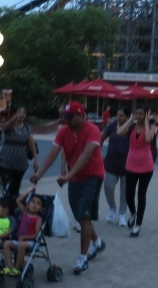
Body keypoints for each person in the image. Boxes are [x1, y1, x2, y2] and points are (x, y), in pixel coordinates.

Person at [30, 101, 106, 276]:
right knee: (80, 216)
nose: (68, 121)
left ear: (81, 115)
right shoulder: (64, 131)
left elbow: (86, 155)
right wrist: (40, 174)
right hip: (75, 177)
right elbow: (52, 153)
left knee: (84, 215)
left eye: (71, 118)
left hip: (93, 176)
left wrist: (68, 176)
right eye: (66, 118)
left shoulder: (92, 130)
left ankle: (82, 258)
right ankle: (98, 242)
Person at [124, 107, 156, 237]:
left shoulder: (152, 127)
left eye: (141, 114)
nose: (138, 116)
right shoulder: (131, 127)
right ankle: (133, 212)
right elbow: (119, 132)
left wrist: (147, 122)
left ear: (146, 115)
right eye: (136, 113)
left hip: (146, 166)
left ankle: (138, 225)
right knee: (128, 194)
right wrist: (130, 120)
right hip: (131, 164)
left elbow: (148, 139)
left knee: (141, 195)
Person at [0, 106, 38, 197]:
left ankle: (14, 208)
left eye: (24, 112)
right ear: (14, 114)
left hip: (21, 164)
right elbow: (7, 126)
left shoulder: (27, 127)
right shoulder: (10, 125)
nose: (22, 114)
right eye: (19, 112)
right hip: (6, 163)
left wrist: (36, 159)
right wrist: (16, 117)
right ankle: (6, 208)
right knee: (7, 189)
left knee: (16, 189)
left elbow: (31, 143)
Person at [4, 190, 45, 274]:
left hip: (30, 242)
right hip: (19, 239)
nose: (34, 204)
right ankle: (9, 267)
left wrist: (25, 237)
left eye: (38, 203)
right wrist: (30, 190)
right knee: (6, 244)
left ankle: (17, 268)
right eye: (32, 202)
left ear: (41, 209)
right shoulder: (24, 213)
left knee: (21, 245)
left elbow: (35, 235)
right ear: (28, 205)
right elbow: (18, 200)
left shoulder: (38, 219)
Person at [101, 107, 130, 226]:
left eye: (121, 115)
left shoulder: (132, 127)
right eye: (117, 115)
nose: (118, 117)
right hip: (111, 162)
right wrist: (99, 152)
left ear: (128, 117)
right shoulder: (113, 125)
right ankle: (112, 207)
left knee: (125, 191)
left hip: (128, 165)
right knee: (108, 187)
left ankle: (122, 214)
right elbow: (100, 136)